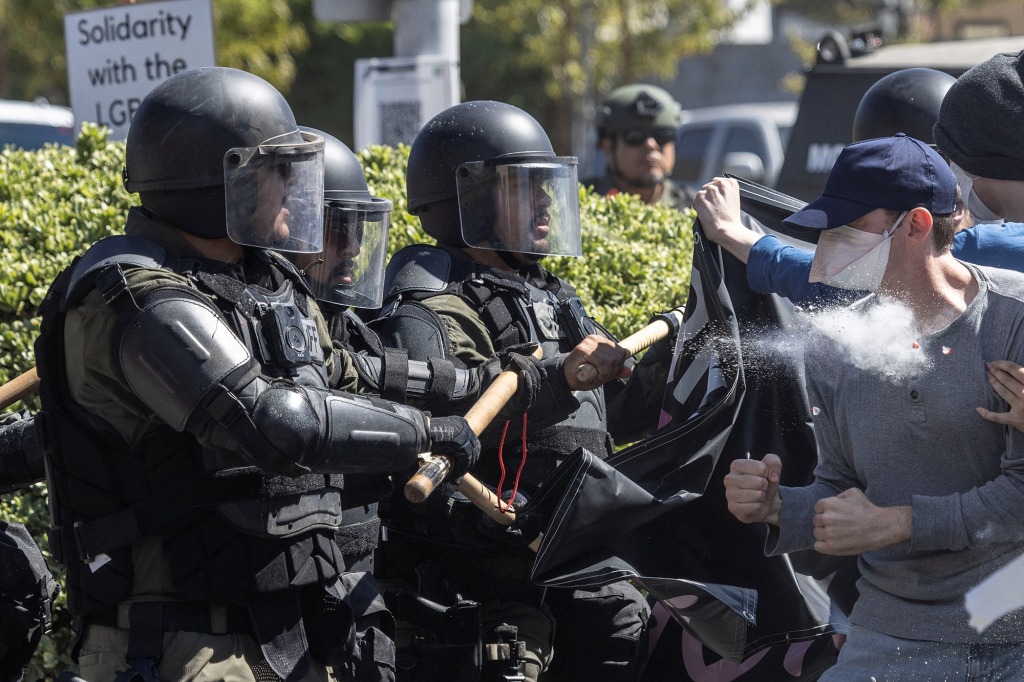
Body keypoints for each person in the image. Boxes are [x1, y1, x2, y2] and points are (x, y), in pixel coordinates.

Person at [33, 66, 481, 682]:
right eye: (280, 172)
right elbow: (272, 422)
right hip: (183, 644)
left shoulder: (263, 280)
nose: (299, 190)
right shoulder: (133, 294)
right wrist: (424, 433)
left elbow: (340, 375)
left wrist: (484, 384)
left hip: (288, 632)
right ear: (223, 182)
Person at [373, 100, 670, 681]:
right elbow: (448, 418)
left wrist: (690, 362)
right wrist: (558, 378)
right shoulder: (430, 304)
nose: (544, 202)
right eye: (522, 187)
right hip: (486, 582)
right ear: (469, 199)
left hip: (574, 565)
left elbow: (610, 415)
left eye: (545, 186)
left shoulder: (548, 295)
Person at [724, 134, 1024, 680]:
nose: (830, 244)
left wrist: (896, 525)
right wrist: (776, 507)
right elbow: (842, 487)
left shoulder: (1014, 321)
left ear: (916, 225)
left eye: (849, 227)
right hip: (889, 636)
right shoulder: (840, 345)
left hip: (1012, 635)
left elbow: (1020, 497)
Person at [693, 67, 967, 306]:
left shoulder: (998, 279)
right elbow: (820, 281)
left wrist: (729, 231)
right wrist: (728, 231)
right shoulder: (877, 279)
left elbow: (816, 283)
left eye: (859, 223)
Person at [583, 83, 691, 209]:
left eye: (663, 135)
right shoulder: (578, 204)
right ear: (607, 146)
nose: (651, 145)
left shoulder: (697, 209)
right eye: (635, 137)